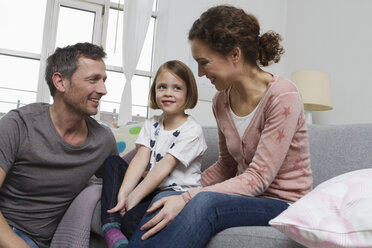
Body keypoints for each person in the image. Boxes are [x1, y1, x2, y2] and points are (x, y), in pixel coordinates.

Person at [127, 5, 313, 248]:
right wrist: (179, 190)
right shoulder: (221, 100)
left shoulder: (282, 96)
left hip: (284, 203)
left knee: (204, 203)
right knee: (166, 196)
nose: (200, 73)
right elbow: (226, 165)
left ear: (234, 54)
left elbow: (258, 178)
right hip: (247, 198)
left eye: (204, 63)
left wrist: (188, 196)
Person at [0, 42, 118, 248]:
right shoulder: (18, 125)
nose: (103, 90)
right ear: (60, 82)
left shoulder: (103, 140)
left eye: (104, 80)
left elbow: (119, 182)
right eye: (93, 80)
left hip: (39, 241)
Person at [100, 60, 207, 248]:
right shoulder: (152, 123)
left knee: (132, 219)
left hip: (174, 193)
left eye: (177, 88)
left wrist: (134, 198)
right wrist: (124, 196)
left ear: (189, 93)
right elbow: (141, 158)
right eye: (162, 87)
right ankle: (110, 225)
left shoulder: (192, 130)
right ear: (154, 91)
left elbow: (164, 166)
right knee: (112, 163)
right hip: (151, 186)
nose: (168, 93)